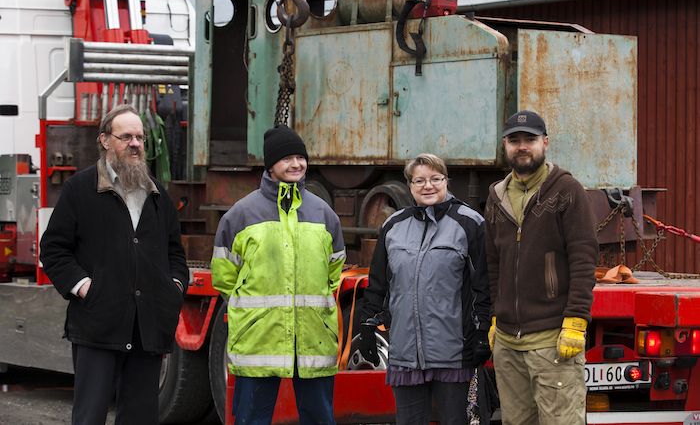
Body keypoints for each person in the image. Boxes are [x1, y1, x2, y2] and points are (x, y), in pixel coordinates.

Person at [40, 104, 188, 425]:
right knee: (90, 415)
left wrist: (173, 287)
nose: (135, 144)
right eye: (126, 137)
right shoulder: (81, 189)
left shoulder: (158, 195)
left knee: (139, 417)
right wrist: (85, 288)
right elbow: (53, 249)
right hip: (98, 324)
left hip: (147, 328)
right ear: (106, 140)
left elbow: (175, 253)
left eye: (140, 137)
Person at [211, 124, 346, 424]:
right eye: (287, 158)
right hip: (258, 342)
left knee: (320, 418)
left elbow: (333, 271)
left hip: (313, 342)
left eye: (300, 157)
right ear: (270, 165)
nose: (296, 164)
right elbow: (223, 277)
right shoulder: (241, 214)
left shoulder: (324, 214)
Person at [359, 153, 491, 425]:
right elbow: (379, 284)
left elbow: (484, 285)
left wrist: (481, 332)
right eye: (419, 180)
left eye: (435, 179)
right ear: (409, 186)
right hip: (406, 354)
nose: (427, 186)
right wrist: (367, 325)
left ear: (446, 181)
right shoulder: (393, 226)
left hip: (455, 353)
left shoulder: (469, 223)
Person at [484, 110, 598, 425]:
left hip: (553, 342)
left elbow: (583, 258)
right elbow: (494, 263)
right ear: (505, 145)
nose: (522, 147)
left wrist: (576, 321)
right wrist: (497, 315)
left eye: (530, 140)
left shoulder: (566, 190)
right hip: (508, 344)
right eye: (514, 140)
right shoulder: (496, 196)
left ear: (544, 143)